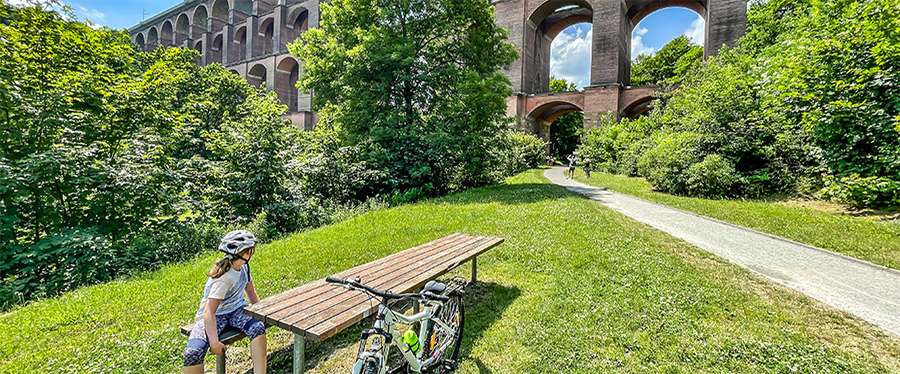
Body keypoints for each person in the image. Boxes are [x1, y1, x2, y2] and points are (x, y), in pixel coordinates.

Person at [184, 230, 267, 374]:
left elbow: (250, 291)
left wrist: (262, 313)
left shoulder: (244, 267)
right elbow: (209, 312)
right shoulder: (224, 278)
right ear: (246, 252)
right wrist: (214, 342)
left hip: (237, 310)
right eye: (251, 250)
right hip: (215, 316)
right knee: (193, 352)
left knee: (257, 327)